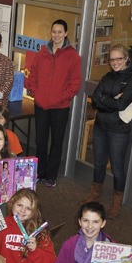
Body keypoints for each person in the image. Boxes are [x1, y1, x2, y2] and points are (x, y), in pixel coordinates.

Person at [84, 44, 132, 218]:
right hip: (101, 125)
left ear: (126, 59)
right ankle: (94, 196)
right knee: (99, 163)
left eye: (119, 59)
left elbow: (121, 105)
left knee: (117, 168)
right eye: (112, 59)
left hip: (119, 130)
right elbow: (94, 100)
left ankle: (116, 204)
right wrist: (110, 100)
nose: (115, 62)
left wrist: (105, 100)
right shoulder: (107, 76)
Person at [27, 19, 81, 188]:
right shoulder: (43, 52)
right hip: (41, 105)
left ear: (65, 34)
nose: (56, 35)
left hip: (60, 107)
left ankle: (51, 175)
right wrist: (36, 92)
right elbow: (32, 74)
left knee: (57, 142)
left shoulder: (72, 56)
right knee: (41, 140)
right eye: (54, 32)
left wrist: (61, 97)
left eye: (60, 32)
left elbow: (75, 84)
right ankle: (40, 172)